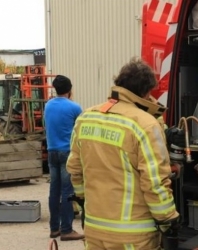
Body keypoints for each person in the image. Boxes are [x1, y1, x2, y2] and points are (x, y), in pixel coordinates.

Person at [66, 58, 180, 250]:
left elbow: (75, 170)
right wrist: (169, 219)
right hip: (134, 235)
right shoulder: (146, 124)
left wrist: (84, 201)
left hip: (94, 228)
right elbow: (154, 182)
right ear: (146, 92)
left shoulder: (86, 117)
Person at [44, 75, 84, 241]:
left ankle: (54, 228)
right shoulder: (75, 108)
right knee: (68, 192)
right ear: (70, 90)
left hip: (52, 152)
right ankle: (67, 230)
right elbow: (81, 130)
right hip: (67, 153)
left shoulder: (48, 105)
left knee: (54, 190)